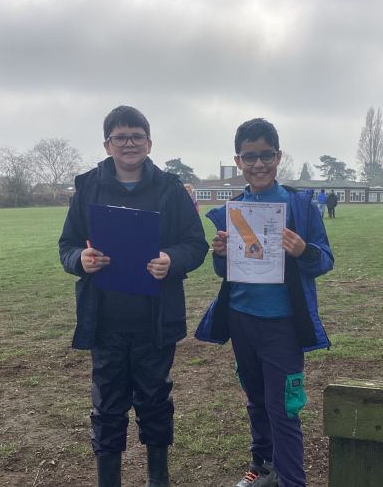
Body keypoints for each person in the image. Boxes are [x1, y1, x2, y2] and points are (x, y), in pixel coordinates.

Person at [58, 105, 208, 487]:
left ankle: (158, 479)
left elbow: (196, 244)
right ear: (107, 145)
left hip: (154, 322)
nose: (129, 143)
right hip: (105, 321)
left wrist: (171, 260)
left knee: (155, 401)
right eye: (120, 137)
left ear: (149, 143)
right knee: (107, 407)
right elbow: (67, 245)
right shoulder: (88, 188)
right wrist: (80, 260)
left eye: (136, 136)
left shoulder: (170, 189)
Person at [196, 118, 334, 487]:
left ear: (278, 156)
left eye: (266, 156)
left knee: (283, 408)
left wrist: (303, 250)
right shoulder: (234, 209)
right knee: (256, 400)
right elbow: (225, 271)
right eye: (250, 157)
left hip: (283, 324)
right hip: (242, 319)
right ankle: (263, 467)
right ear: (238, 161)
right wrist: (220, 254)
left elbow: (325, 260)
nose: (259, 164)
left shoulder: (299, 206)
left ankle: (291, 481)